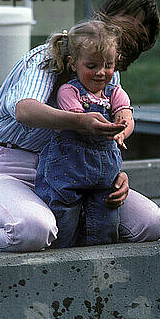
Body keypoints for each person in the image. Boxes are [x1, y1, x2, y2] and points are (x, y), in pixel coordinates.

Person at [0, 0, 160, 254]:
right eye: (127, 30)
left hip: (72, 173)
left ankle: (72, 238)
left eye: (140, 42)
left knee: (150, 224)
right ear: (106, 16)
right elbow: (25, 110)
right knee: (33, 229)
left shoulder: (107, 76)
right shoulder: (48, 57)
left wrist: (114, 174)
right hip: (8, 167)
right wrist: (79, 121)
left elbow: (103, 139)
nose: (131, 43)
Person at [34, 21, 134, 248]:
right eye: (92, 65)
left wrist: (122, 131)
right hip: (68, 173)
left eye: (108, 65)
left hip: (103, 177)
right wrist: (100, 125)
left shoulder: (115, 92)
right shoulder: (69, 91)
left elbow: (126, 116)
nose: (101, 72)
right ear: (73, 64)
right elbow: (79, 123)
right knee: (64, 222)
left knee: (106, 224)